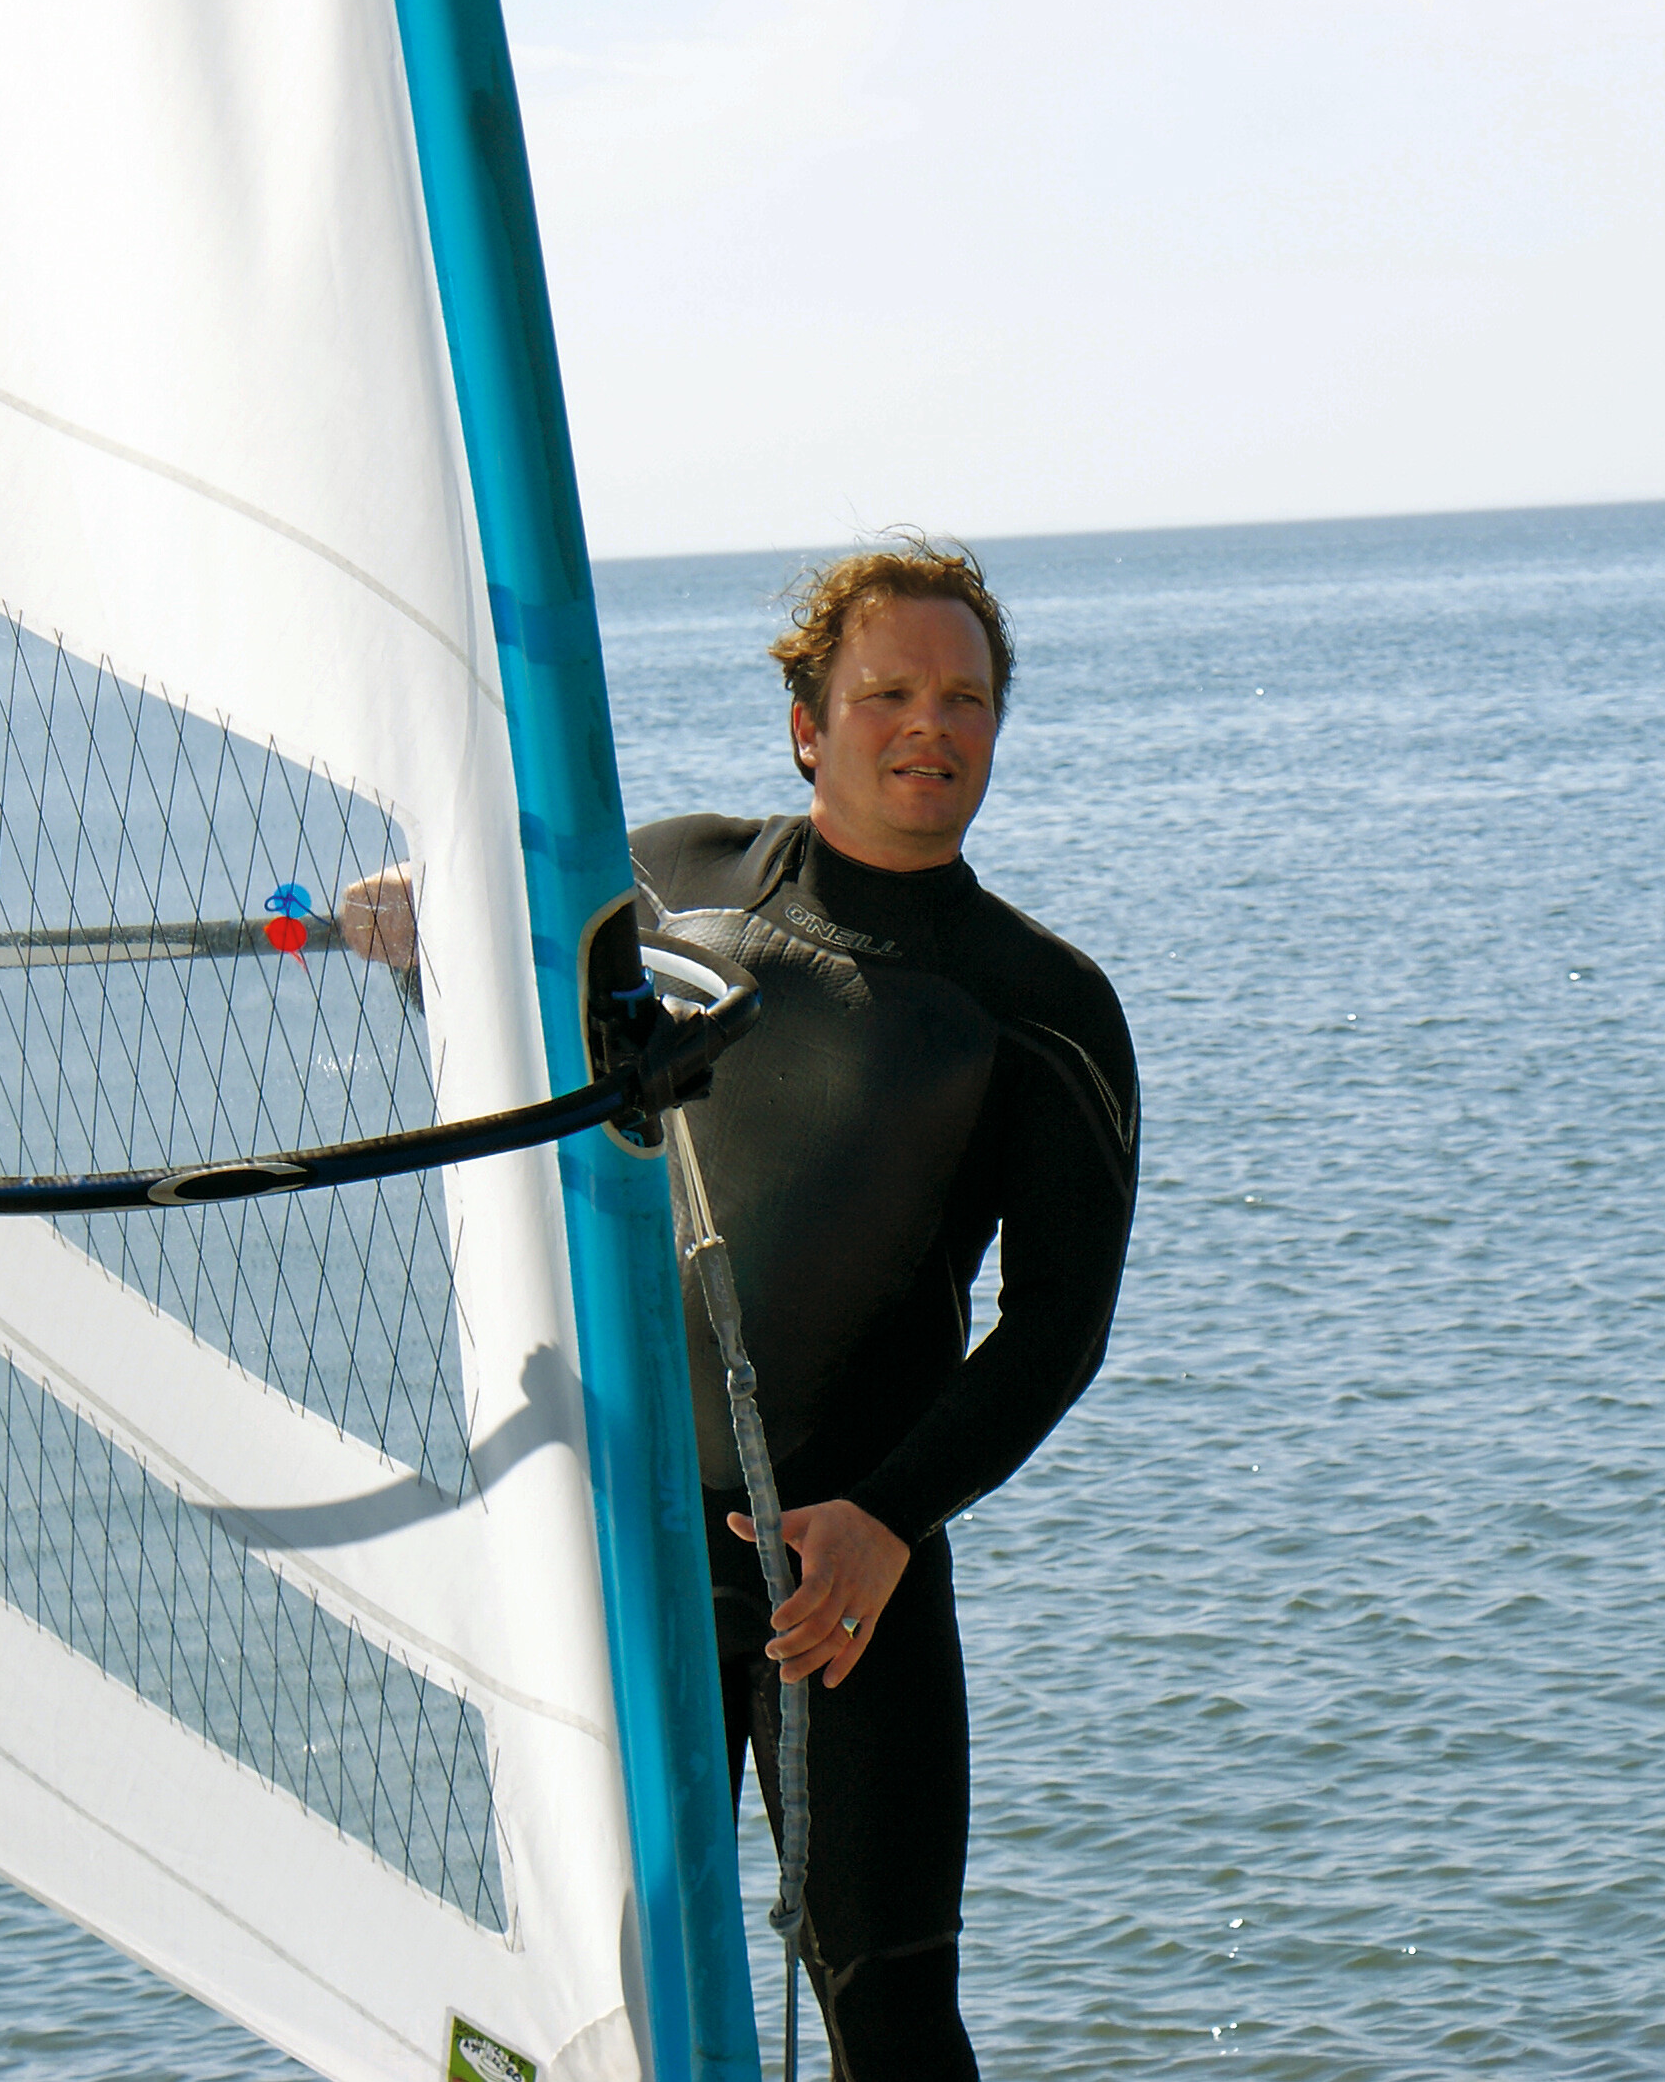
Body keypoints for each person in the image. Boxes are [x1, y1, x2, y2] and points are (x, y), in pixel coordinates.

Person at [344, 541, 1138, 2079]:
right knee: (607, 1991)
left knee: (887, 2006)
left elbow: (1056, 1330)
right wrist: (421, 926)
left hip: (848, 1581)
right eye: (889, 692)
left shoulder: (1039, 1003)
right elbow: (519, 1008)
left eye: (965, 697)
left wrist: (890, 1520)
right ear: (807, 723)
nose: (931, 726)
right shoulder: (667, 882)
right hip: (628, 1550)